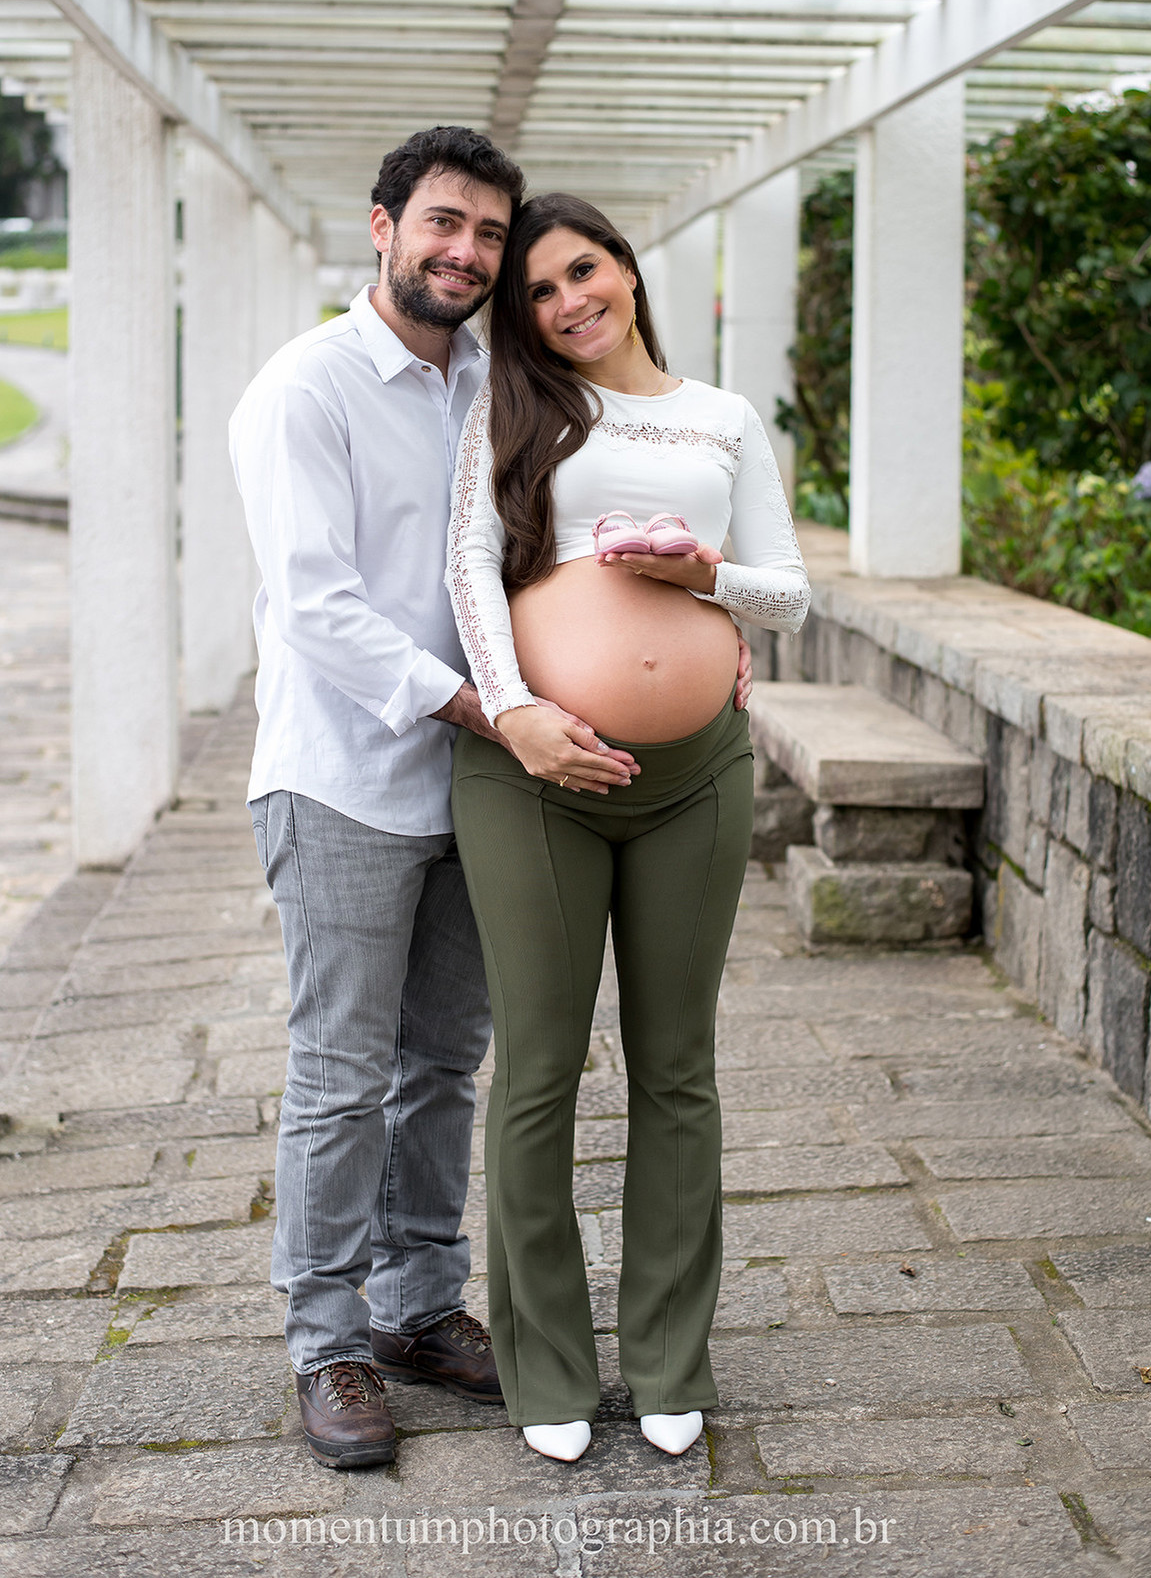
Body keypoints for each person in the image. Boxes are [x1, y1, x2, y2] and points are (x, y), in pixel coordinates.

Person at [228, 128, 642, 1470]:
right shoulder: (305, 388)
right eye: (443, 224)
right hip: (346, 775)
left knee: (440, 1067)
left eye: (486, 236)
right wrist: (491, 708)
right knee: (342, 1076)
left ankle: (414, 1308)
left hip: (474, 780)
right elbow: (319, 607)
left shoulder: (493, 377)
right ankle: (327, 1343)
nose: (465, 253)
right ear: (383, 225)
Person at [446, 193, 810, 1464]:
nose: (564, 303)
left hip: (698, 779)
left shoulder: (722, 417)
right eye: (537, 292)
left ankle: (669, 1355)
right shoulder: (513, 406)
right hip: (536, 778)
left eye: (581, 272)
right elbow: (468, 571)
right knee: (539, 1072)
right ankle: (543, 1362)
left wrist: (695, 575)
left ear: (628, 272)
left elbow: (793, 595)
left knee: (677, 1070)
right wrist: (514, 709)